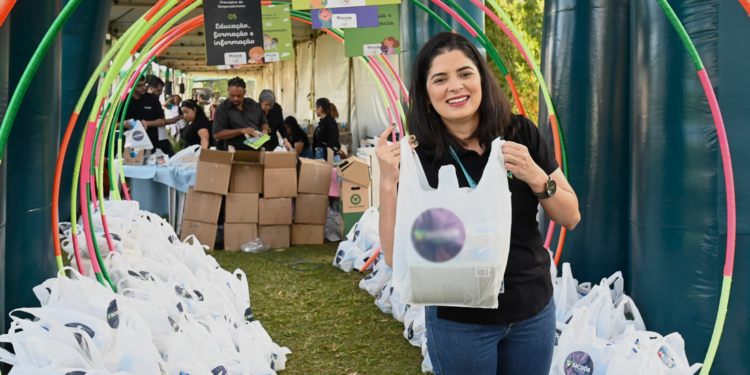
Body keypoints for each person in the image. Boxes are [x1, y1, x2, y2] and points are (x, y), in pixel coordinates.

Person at [376, 32, 581, 375]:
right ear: (426, 97)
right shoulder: (417, 157)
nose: (455, 86)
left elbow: (571, 216)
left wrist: (535, 176)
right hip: (460, 321)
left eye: (465, 73)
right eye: (440, 79)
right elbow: (396, 256)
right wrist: (386, 180)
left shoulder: (520, 134)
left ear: (482, 80)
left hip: (532, 309)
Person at [123, 75, 181, 157]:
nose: (143, 88)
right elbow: (112, 125)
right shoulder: (124, 101)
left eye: (144, 85)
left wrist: (148, 123)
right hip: (130, 147)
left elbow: (161, 120)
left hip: (151, 146)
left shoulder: (152, 99)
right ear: (131, 85)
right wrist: (123, 124)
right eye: (139, 85)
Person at [212, 77, 269, 151]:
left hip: (256, 151)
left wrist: (265, 131)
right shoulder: (222, 109)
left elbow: (263, 122)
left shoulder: (253, 104)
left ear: (244, 92)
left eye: (239, 96)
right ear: (228, 91)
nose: (235, 98)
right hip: (233, 153)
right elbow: (217, 134)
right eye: (232, 95)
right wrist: (242, 131)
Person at [146, 75, 179, 157]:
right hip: (157, 138)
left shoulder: (155, 101)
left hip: (162, 136)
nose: (160, 93)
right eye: (159, 90)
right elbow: (160, 120)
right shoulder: (149, 101)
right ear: (151, 88)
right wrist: (168, 121)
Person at [312, 98, 341, 162]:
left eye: (315, 107)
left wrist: (327, 158)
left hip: (327, 157)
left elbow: (332, 140)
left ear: (320, 108)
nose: (315, 110)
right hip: (321, 155)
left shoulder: (330, 122)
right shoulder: (322, 122)